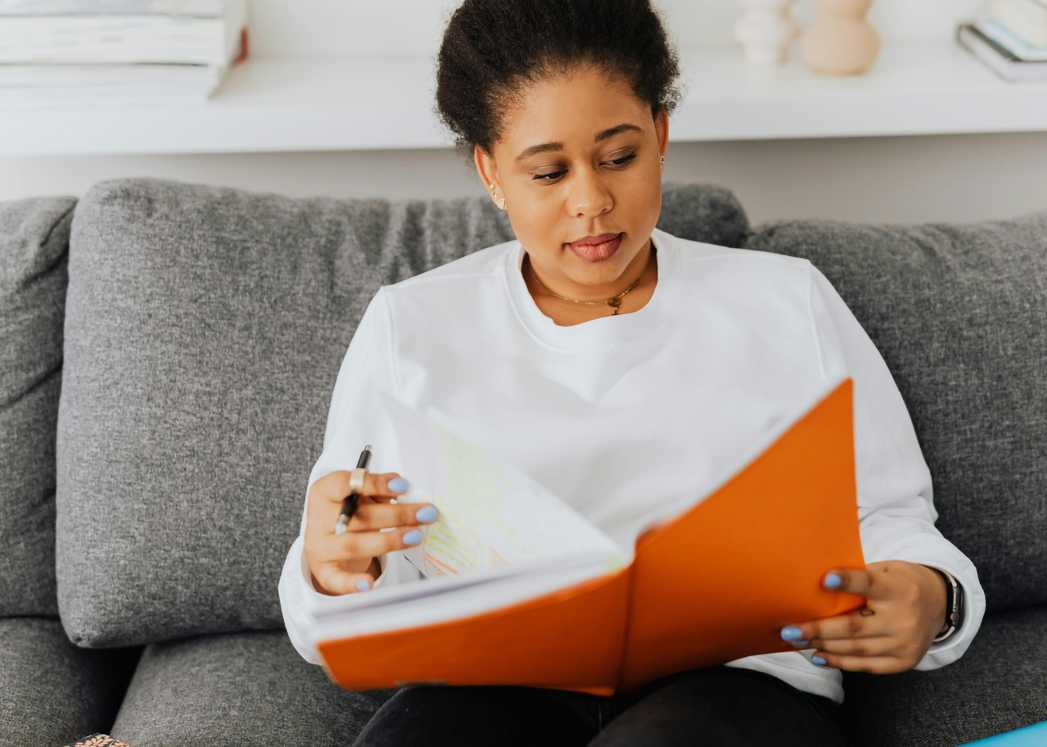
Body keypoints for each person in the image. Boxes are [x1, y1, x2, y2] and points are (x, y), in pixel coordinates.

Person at [276, 1, 988, 745]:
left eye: (619, 156)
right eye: (548, 172)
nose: (591, 201)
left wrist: (931, 599)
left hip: (736, 687)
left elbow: (896, 525)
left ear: (662, 134)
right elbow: (338, 600)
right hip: (492, 685)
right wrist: (332, 568)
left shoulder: (786, 300)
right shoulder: (411, 326)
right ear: (490, 170)